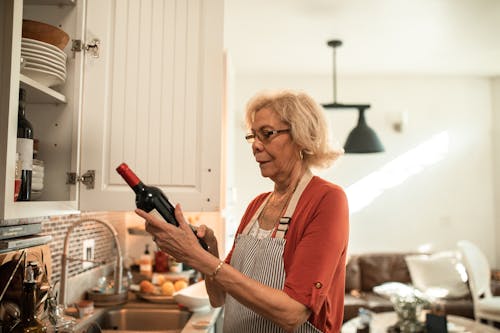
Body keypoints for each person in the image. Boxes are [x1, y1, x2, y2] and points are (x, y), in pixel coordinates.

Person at [136, 90, 349, 333]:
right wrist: (210, 250)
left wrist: (198, 257)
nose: (256, 146)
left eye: (267, 134)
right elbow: (219, 297)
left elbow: (292, 313)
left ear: (300, 137)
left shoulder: (327, 200)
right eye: (253, 136)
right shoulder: (257, 206)